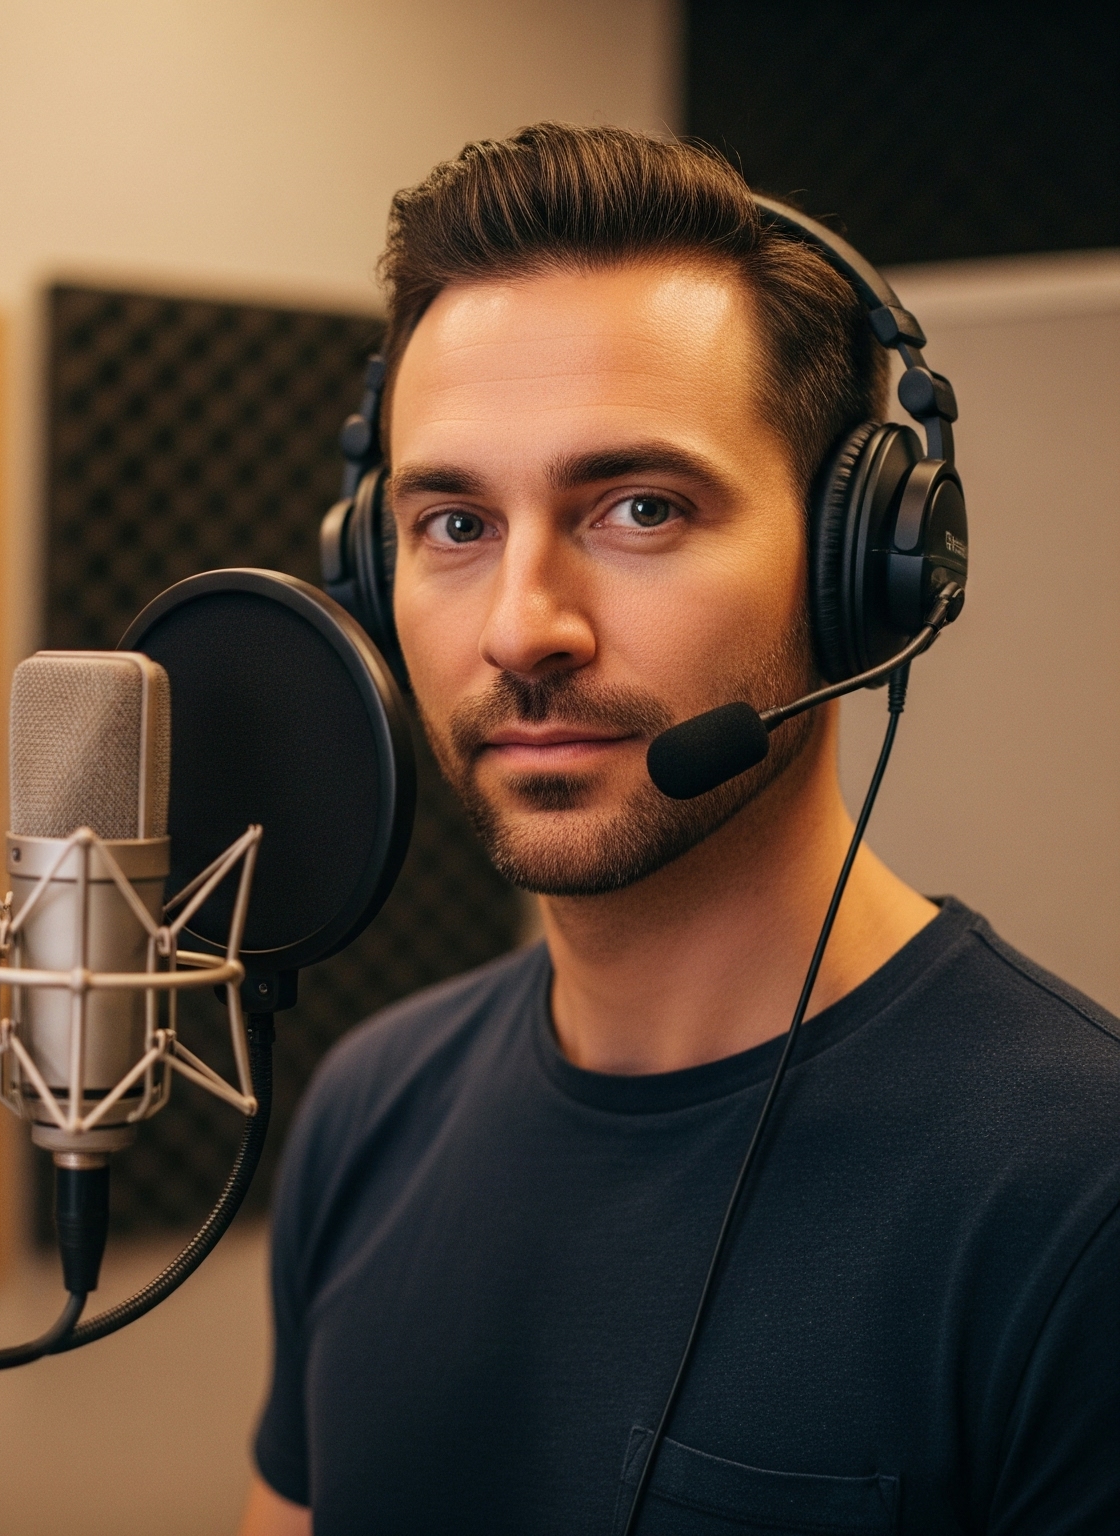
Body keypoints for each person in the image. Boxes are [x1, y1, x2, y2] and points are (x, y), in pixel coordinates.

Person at [239, 124, 1120, 1535]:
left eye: (639, 508)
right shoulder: (367, 1107)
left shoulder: (1076, 1201)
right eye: (452, 524)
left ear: (863, 570)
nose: (524, 627)